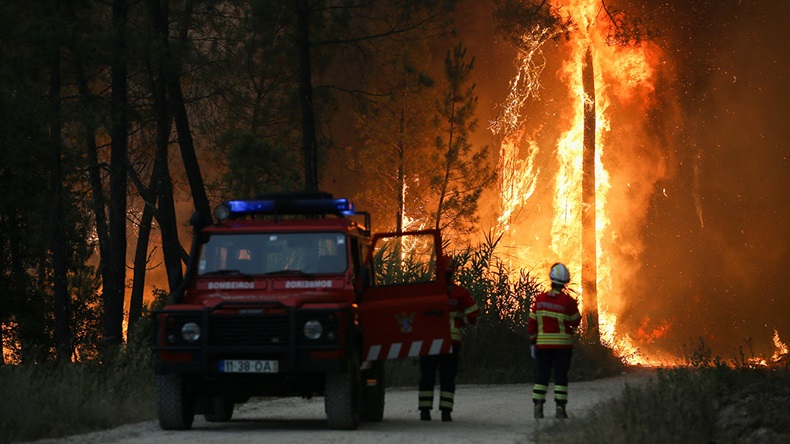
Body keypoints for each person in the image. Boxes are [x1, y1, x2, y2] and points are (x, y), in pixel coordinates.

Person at [418, 256, 479, 422]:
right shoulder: (459, 293)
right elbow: (474, 312)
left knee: (427, 376)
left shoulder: (427, 291)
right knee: (447, 377)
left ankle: (425, 412)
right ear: (452, 273)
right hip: (451, 342)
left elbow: (416, 314)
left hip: (429, 341)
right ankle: (446, 413)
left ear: (435, 272)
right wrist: (461, 321)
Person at [527, 262, 581, 419]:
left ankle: (538, 405)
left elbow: (532, 323)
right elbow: (576, 321)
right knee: (560, 376)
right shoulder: (568, 302)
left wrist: (533, 341)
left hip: (543, 346)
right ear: (565, 283)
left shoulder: (540, 299)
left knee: (542, 375)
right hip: (563, 347)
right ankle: (560, 408)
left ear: (551, 279)